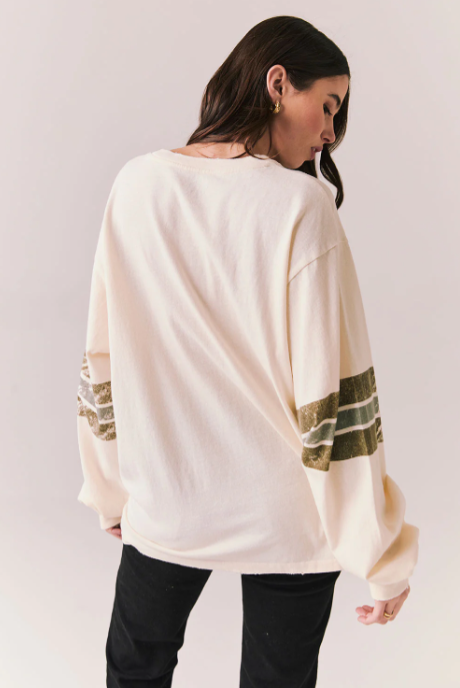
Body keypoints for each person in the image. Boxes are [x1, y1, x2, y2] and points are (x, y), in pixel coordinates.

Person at [76, 15, 419, 687]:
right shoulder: (302, 208)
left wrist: (112, 490)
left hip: (168, 502)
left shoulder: (138, 185)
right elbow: (336, 401)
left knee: (133, 672)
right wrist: (382, 558)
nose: (330, 132)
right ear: (277, 82)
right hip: (289, 520)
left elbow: (103, 357)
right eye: (328, 105)